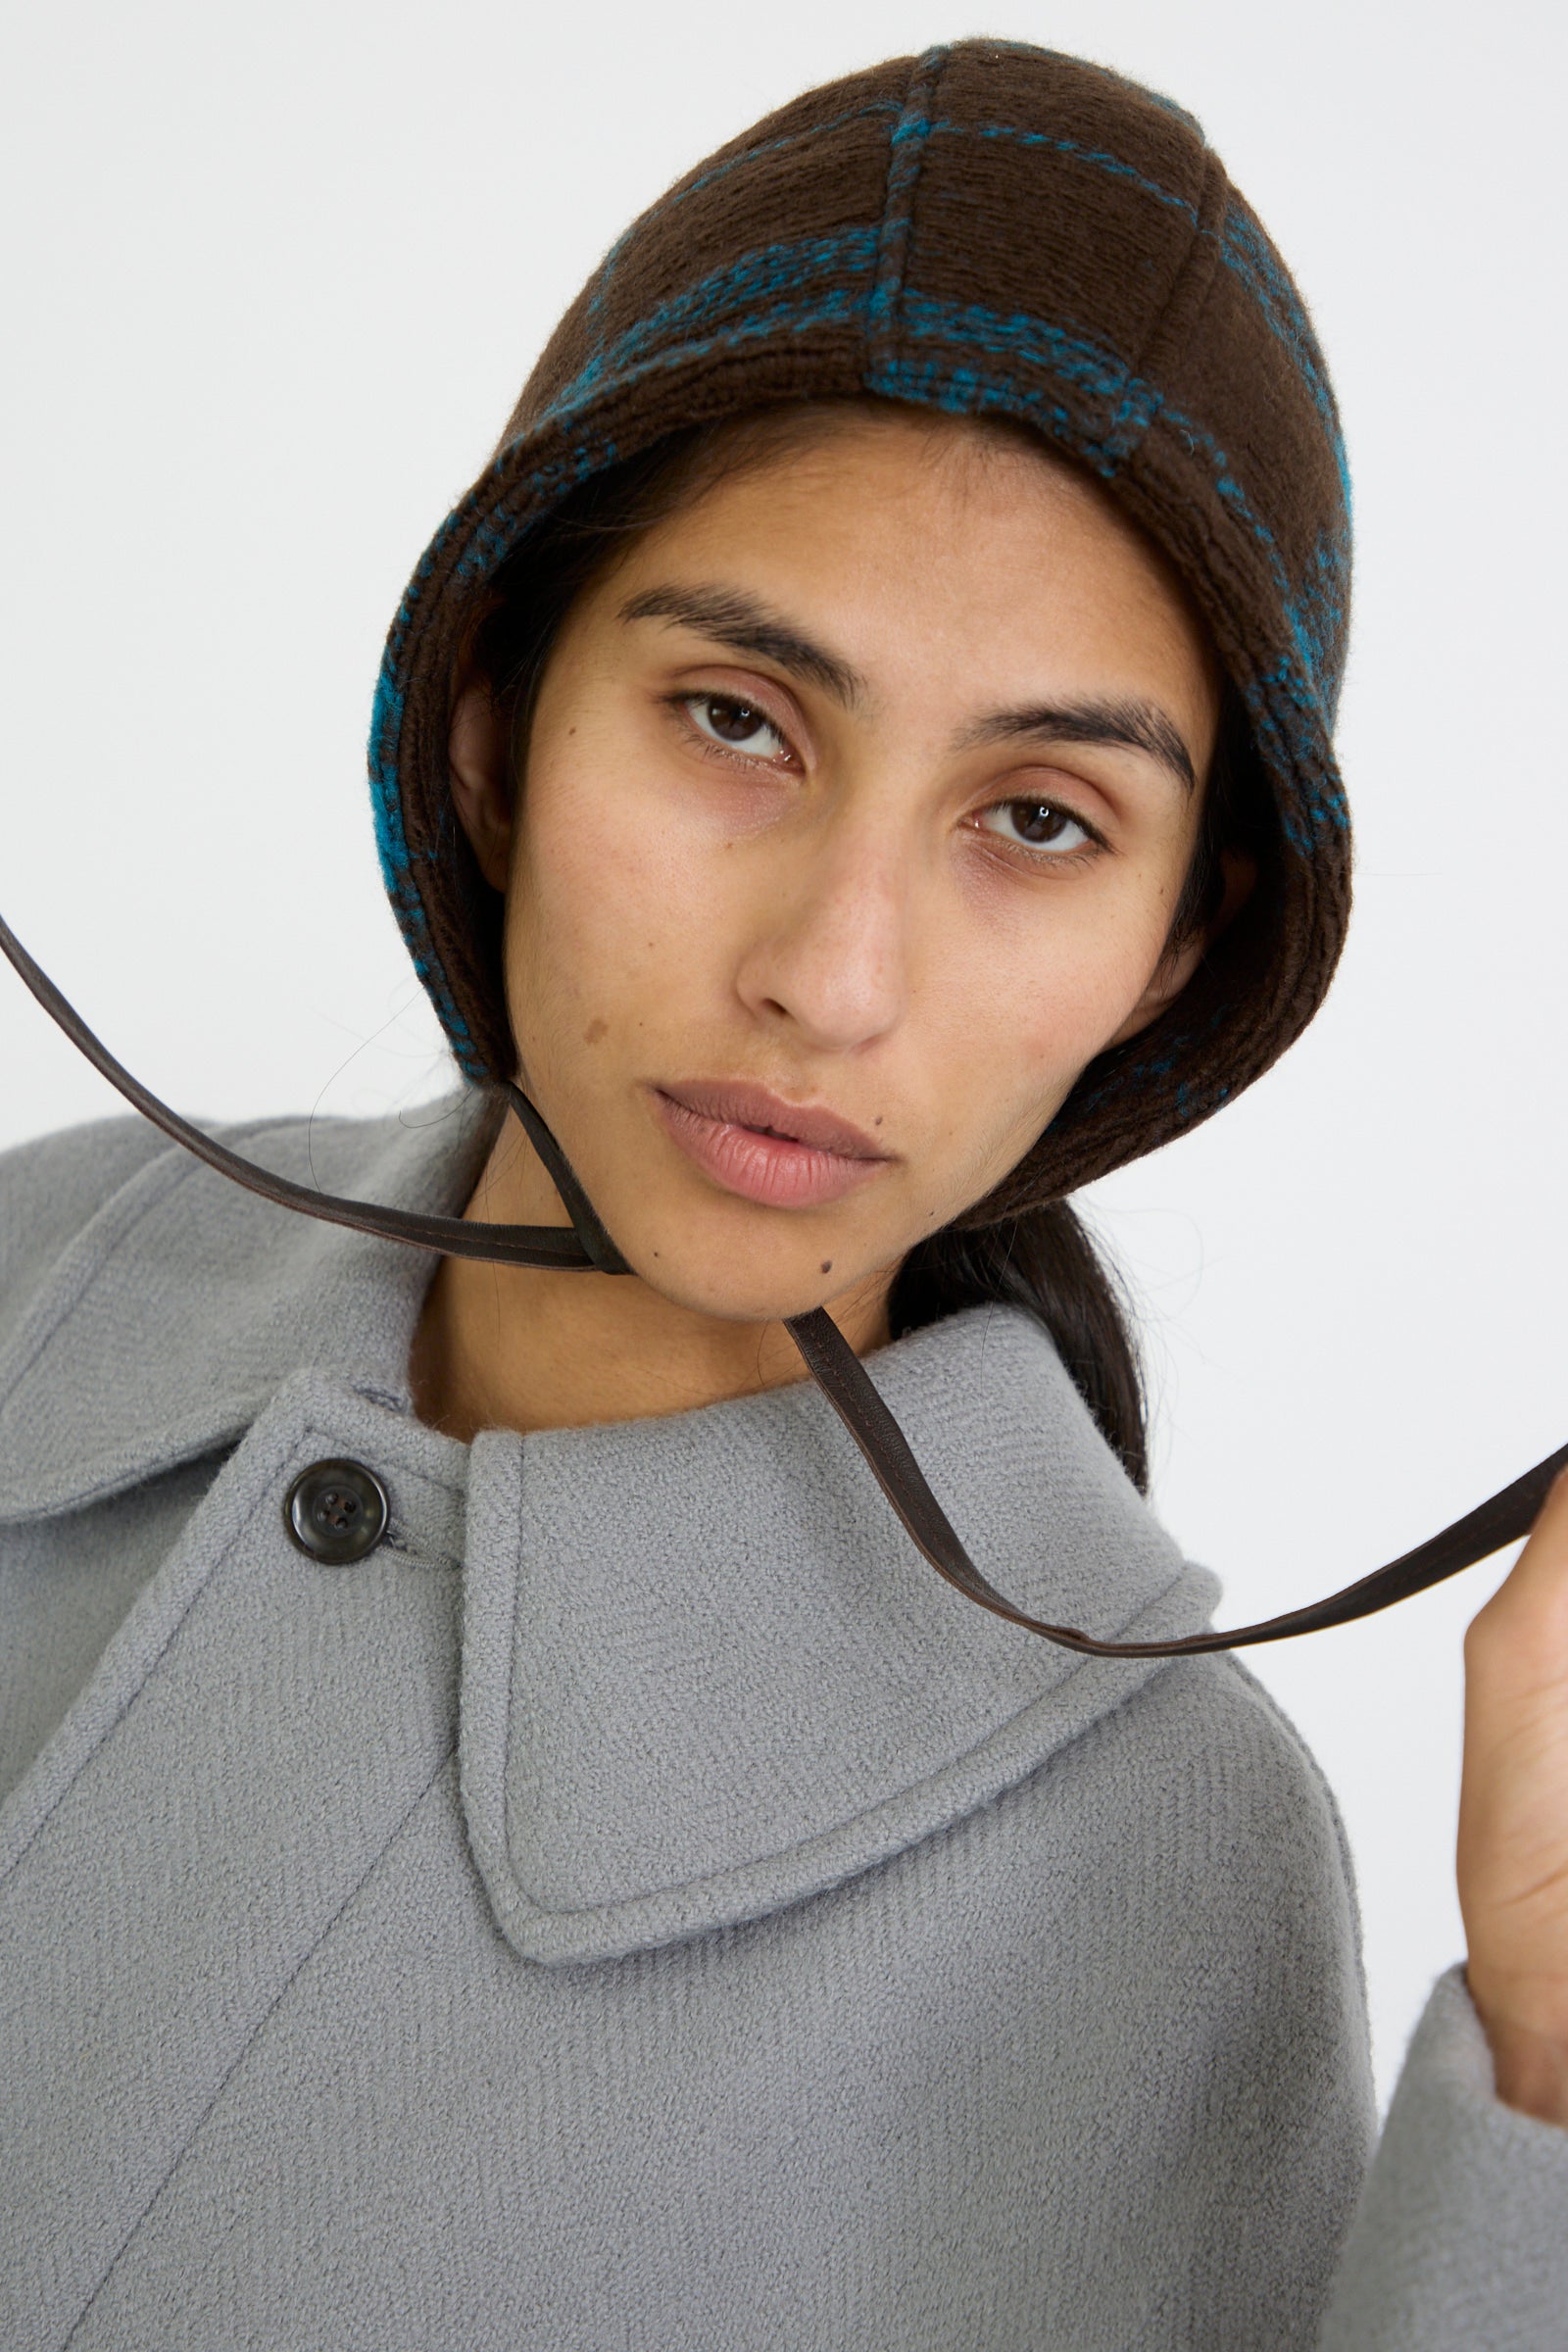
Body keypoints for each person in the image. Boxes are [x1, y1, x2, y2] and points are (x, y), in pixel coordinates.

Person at [2, 35, 1565, 2350]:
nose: (830, 981)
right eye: (738, 718)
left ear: (1170, 953)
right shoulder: (46, 1268)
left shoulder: (1153, 1876)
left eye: (1038, 818)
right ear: (490, 718)